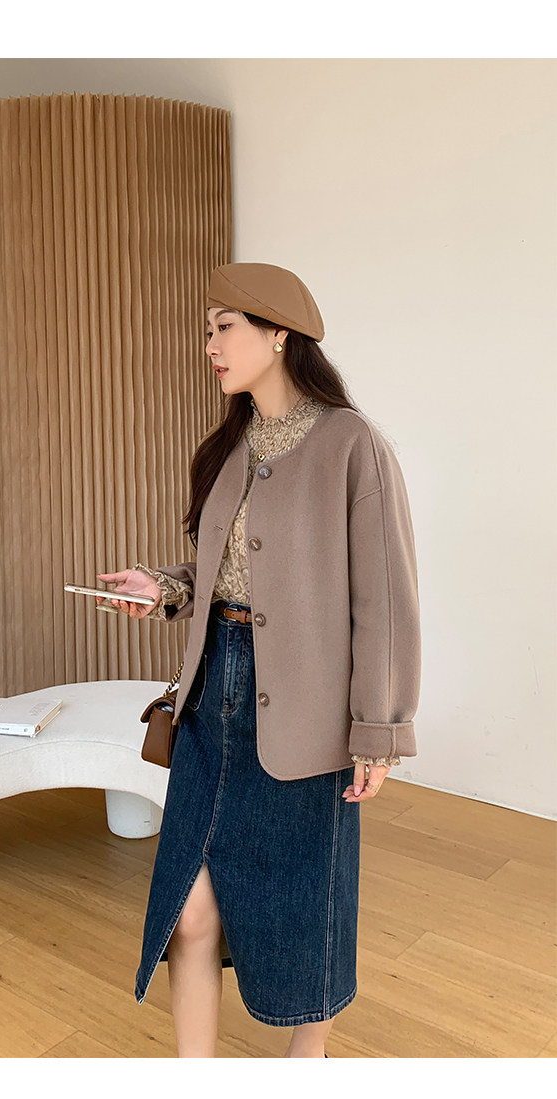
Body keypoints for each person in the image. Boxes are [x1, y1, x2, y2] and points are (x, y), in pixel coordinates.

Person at [96, 262, 422, 1058]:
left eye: (224, 327)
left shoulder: (351, 444)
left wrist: (379, 731)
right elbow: (229, 574)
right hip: (214, 700)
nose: (209, 345)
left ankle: (305, 1064)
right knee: (190, 913)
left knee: (309, 904)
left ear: (279, 334)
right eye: (208, 329)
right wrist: (166, 588)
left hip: (306, 710)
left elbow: (384, 602)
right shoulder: (232, 445)